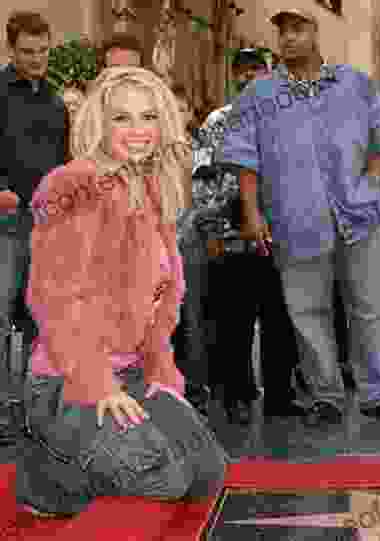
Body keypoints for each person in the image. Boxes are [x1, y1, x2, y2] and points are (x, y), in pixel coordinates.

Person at [15, 66, 229, 518]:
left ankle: (88, 453)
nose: (138, 131)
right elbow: (55, 302)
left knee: (209, 473)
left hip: (133, 372)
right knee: (164, 477)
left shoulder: (154, 189)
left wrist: (161, 379)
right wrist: (98, 386)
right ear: (100, 122)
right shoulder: (71, 186)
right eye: (122, 118)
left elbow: (162, 306)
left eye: (148, 117)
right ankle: (45, 479)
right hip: (67, 380)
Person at [216, 8, 380, 426]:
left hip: (360, 218)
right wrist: (252, 214)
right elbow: (243, 160)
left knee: (371, 306)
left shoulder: (356, 84)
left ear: (316, 32)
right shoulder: (259, 96)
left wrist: (372, 186)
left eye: (298, 28)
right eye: (283, 31)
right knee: (308, 311)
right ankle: (325, 395)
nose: (289, 37)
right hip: (295, 218)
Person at [197, 48, 305, 423]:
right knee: (234, 323)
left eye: (256, 70)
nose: (248, 78)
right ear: (234, 77)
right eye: (242, 71)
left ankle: (280, 394)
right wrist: (211, 229)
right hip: (232, 238)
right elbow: (203, 180)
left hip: (279, 237)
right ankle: (237, 395)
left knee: (280, 319)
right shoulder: (217, 121)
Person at [0, 11, 68, 356]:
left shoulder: (57, 101)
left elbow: (64, 162)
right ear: (10, 49)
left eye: (43, 50)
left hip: (47, 226)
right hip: (6, 224)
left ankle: (26, 403)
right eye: (28, 51)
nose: (37, 58)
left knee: (39, 317)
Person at [170, 83, 211, 417]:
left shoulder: (199, 149)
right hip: (158, 239)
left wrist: (185, 228)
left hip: (191, 238)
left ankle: (196, 385)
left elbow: (202, 199)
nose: (177, 115)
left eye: (182, 109)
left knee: (192, 315)